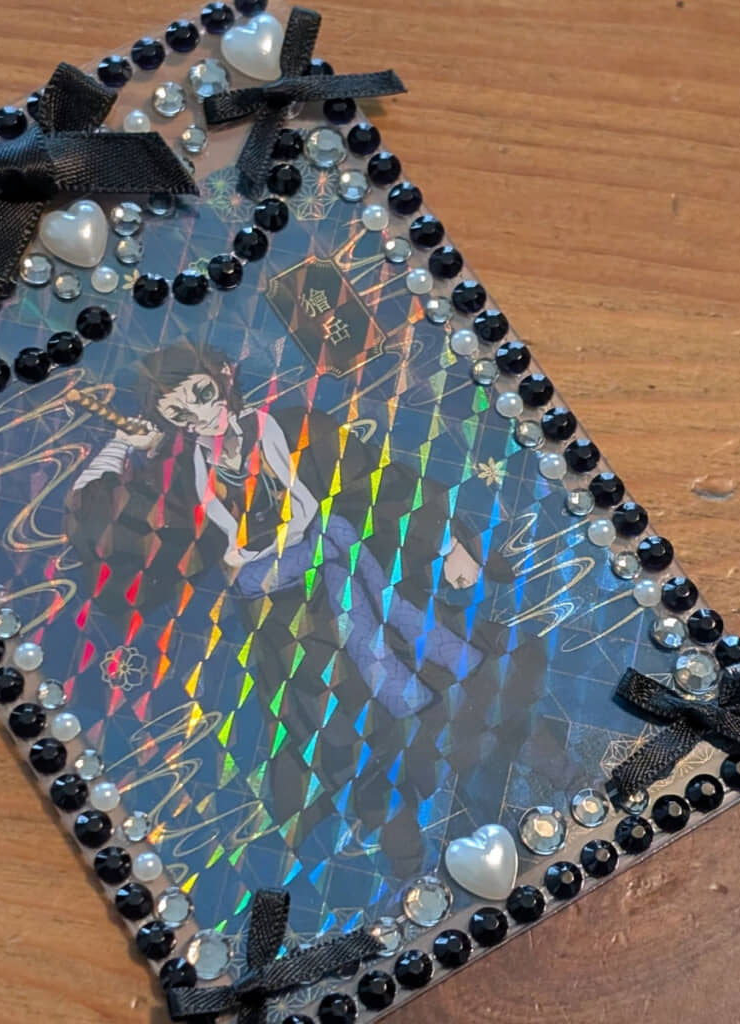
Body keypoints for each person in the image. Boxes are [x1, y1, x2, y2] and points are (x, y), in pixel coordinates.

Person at [65, 340, 540, 875]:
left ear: (223, 374)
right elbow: (112, 537)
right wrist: (120, 447)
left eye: (200, 393)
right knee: (345, 726)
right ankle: (402, 840)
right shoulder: (175, 475)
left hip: (346, 574)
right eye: (177, 413)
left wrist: (448, 540)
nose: (198, 415)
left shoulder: (290, 426)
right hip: (283, 621)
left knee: (345, 560)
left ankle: (449, 702)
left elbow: (374, 477)